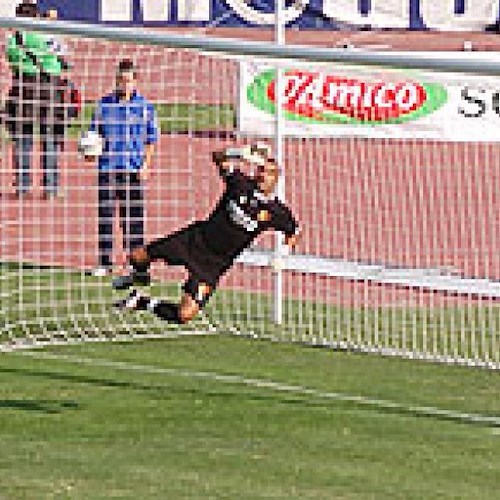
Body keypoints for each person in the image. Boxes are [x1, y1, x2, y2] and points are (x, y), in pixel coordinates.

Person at [113, 144, 300, 325]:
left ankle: (141, 301)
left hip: (214, 264)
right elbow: (217, 157)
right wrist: (239, 153)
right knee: (137, 257)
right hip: (194, 240)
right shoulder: (240, 183)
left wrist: (282, 256)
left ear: (276, 178)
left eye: (267, 172)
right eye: (260, 169)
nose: (261, 175)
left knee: (184, 315)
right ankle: (139, 276)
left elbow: (293, 232)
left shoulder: (277, 212)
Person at [85, 59, 159, 277]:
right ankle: (105, 263)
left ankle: (135, 264)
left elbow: (151, 139)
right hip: (107, 168)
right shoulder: (103, 106)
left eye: (127, 80)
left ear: (136, 82)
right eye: (120, 80)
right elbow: (94, 134)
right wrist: (90, 151)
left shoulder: (145, 108)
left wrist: (146, 165)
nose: (123, 84)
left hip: (133, 170)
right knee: (106, 216)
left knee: (133, 219)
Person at [4, 0, 69, 199]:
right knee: (50, 138)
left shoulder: (15, 38)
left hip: (24, 88)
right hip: (50, 90)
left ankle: (22, 186)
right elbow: (64, 58)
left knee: (22, 139)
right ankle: (51, 187)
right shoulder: (49, 35)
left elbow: (11, 60)